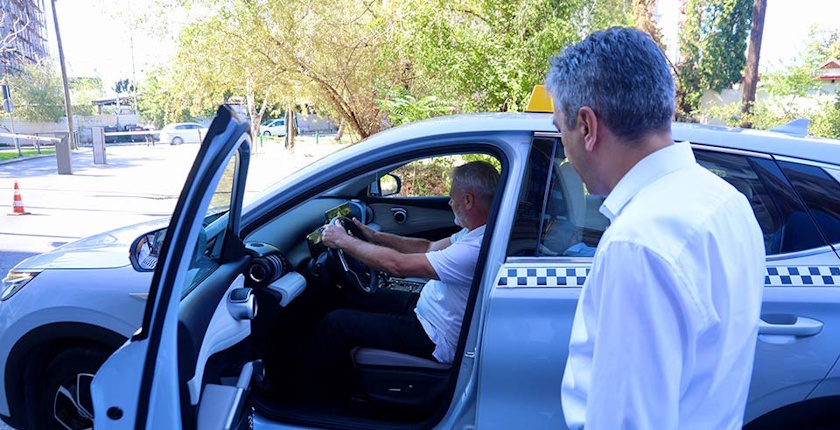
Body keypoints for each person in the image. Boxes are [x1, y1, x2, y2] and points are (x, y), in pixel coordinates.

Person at [545, 27, 765, 429]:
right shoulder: (728, 202)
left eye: (561, 130)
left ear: (587, 127)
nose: (565, 148)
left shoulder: (638, 243)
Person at [304, 160, 499, 402]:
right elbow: (427, 247)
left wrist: (343, 241)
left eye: (452, 196)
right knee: (348, 296)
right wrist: (375, 237)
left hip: (435, 335)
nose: (450, 202)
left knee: (335, 324)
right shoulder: (477, 232)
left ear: (468, 200)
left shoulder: (474, 249)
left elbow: (398, 266)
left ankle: (315, 398)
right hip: (430, 310)